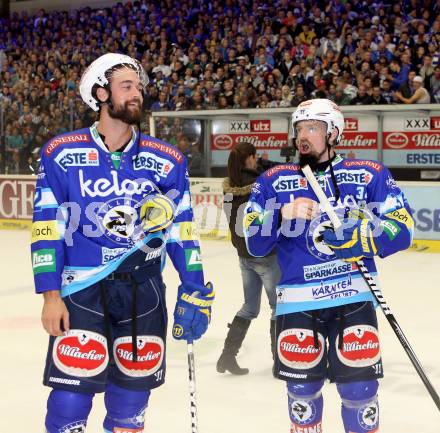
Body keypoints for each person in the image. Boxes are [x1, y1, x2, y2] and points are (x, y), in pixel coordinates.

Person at [31, 53, 214, 433]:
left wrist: (194, 288)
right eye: (126, 86)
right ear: (101, 93)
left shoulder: (168, 160)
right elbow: (46, 226)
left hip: (143, 289)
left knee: (131, 402)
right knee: (70, 399)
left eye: (139, 87)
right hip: (81, 290)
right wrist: (50, 294)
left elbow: (183, 230)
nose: (137, 94)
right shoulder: (60, 153)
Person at [244, 99, 414, 433]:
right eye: (298, 129)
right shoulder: (273, 180)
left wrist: (364, 236)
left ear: (333, 132)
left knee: (359, 392)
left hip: (353, 299)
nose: (302, 137)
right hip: (297, 303)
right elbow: (252, 239)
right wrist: (279, 215)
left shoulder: (369, 174)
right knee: (302, 394)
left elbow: (403, 228)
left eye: (311, 128)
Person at [217, 142, 281, 375]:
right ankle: (280, 361)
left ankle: (227, 356)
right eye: (255, 157)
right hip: (265, 256)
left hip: (244, 256)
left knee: (249, 307)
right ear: (249, 159)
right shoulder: (259, 186)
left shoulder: (229, 185)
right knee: (278, 308)